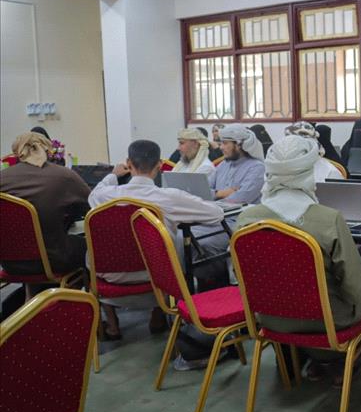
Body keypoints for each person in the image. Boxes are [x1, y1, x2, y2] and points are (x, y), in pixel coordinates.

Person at [235, 135, 361, 382]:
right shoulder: (328, 219)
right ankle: (346, 361)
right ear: (308, 172)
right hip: (326, 320)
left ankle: (298, 362)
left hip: (271, 318)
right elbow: (355, 288)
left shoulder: (247, 220)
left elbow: (241, 276)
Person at [88, 139, 224, 339]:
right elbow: (216, 214)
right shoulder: (169, 197)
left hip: (109, 277)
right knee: (172, 241)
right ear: (160, 165)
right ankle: (158, 313)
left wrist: (113, 175)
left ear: (128, 163)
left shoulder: (103, 197)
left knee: (91, 249)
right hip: (158, 277)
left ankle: (112, 322)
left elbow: (93, 193)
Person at [0, 132, 90, 297]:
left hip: (9, 262)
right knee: (87, 246)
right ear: (48, 150)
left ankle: (31, 299)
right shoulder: (64, 176)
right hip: (53, 260)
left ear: (17, 153)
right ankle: (87, 305)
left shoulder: (2, 177)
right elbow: (92, 209)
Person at [191, 124, 266, 284]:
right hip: (213, 218)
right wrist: (221, 193)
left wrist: (215, 196)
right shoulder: (223, 165)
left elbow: (240, 199)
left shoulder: (257, 167)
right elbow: (204, 191)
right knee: (180, 236)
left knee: (200, 242)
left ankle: (215, 286)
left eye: (225, 143)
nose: (221, 147)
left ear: (239, 145)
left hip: (237, 223)